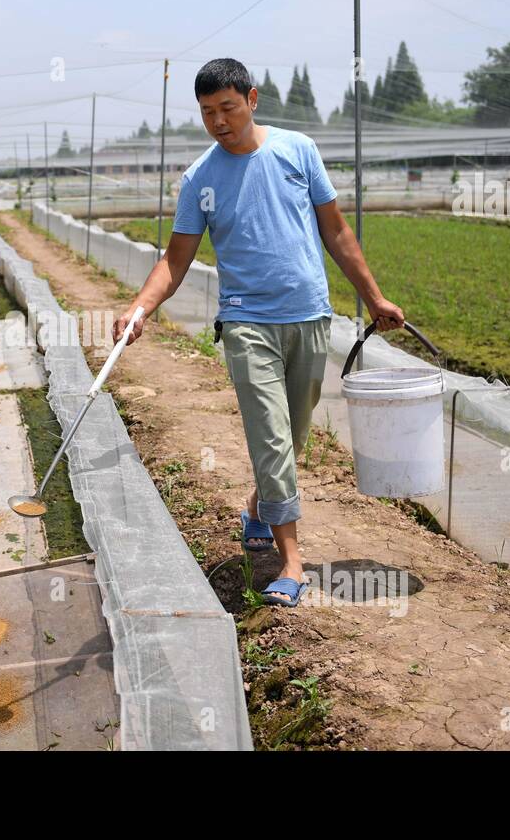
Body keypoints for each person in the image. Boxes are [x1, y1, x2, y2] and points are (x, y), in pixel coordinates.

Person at [112, 57, 405, 608]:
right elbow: (175, 261)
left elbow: (336, 231)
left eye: (226, 107)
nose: (218, 121)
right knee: (272, 441)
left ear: (252, 98)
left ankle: (255, 511)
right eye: (206, 113)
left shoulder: (298, 151)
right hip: (247, 323)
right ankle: (291, 563)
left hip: (310, 317)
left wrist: (374, 297)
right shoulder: (200, 179)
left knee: (291, 440)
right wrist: (140, 308)